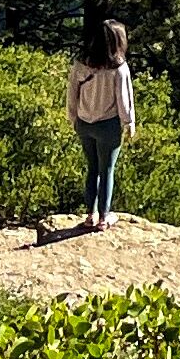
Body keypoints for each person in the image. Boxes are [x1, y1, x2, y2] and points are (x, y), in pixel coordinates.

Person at [67, 19, 136, 231]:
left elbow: (72, 93)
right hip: (108, 126)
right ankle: (104, 217)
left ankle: (90, 214)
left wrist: (73, 117)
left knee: (92, 169)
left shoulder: (81, 64)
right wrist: (129, 122)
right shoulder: (119, 68)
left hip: (84, 123)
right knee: (107, 170)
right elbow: (124, 100)